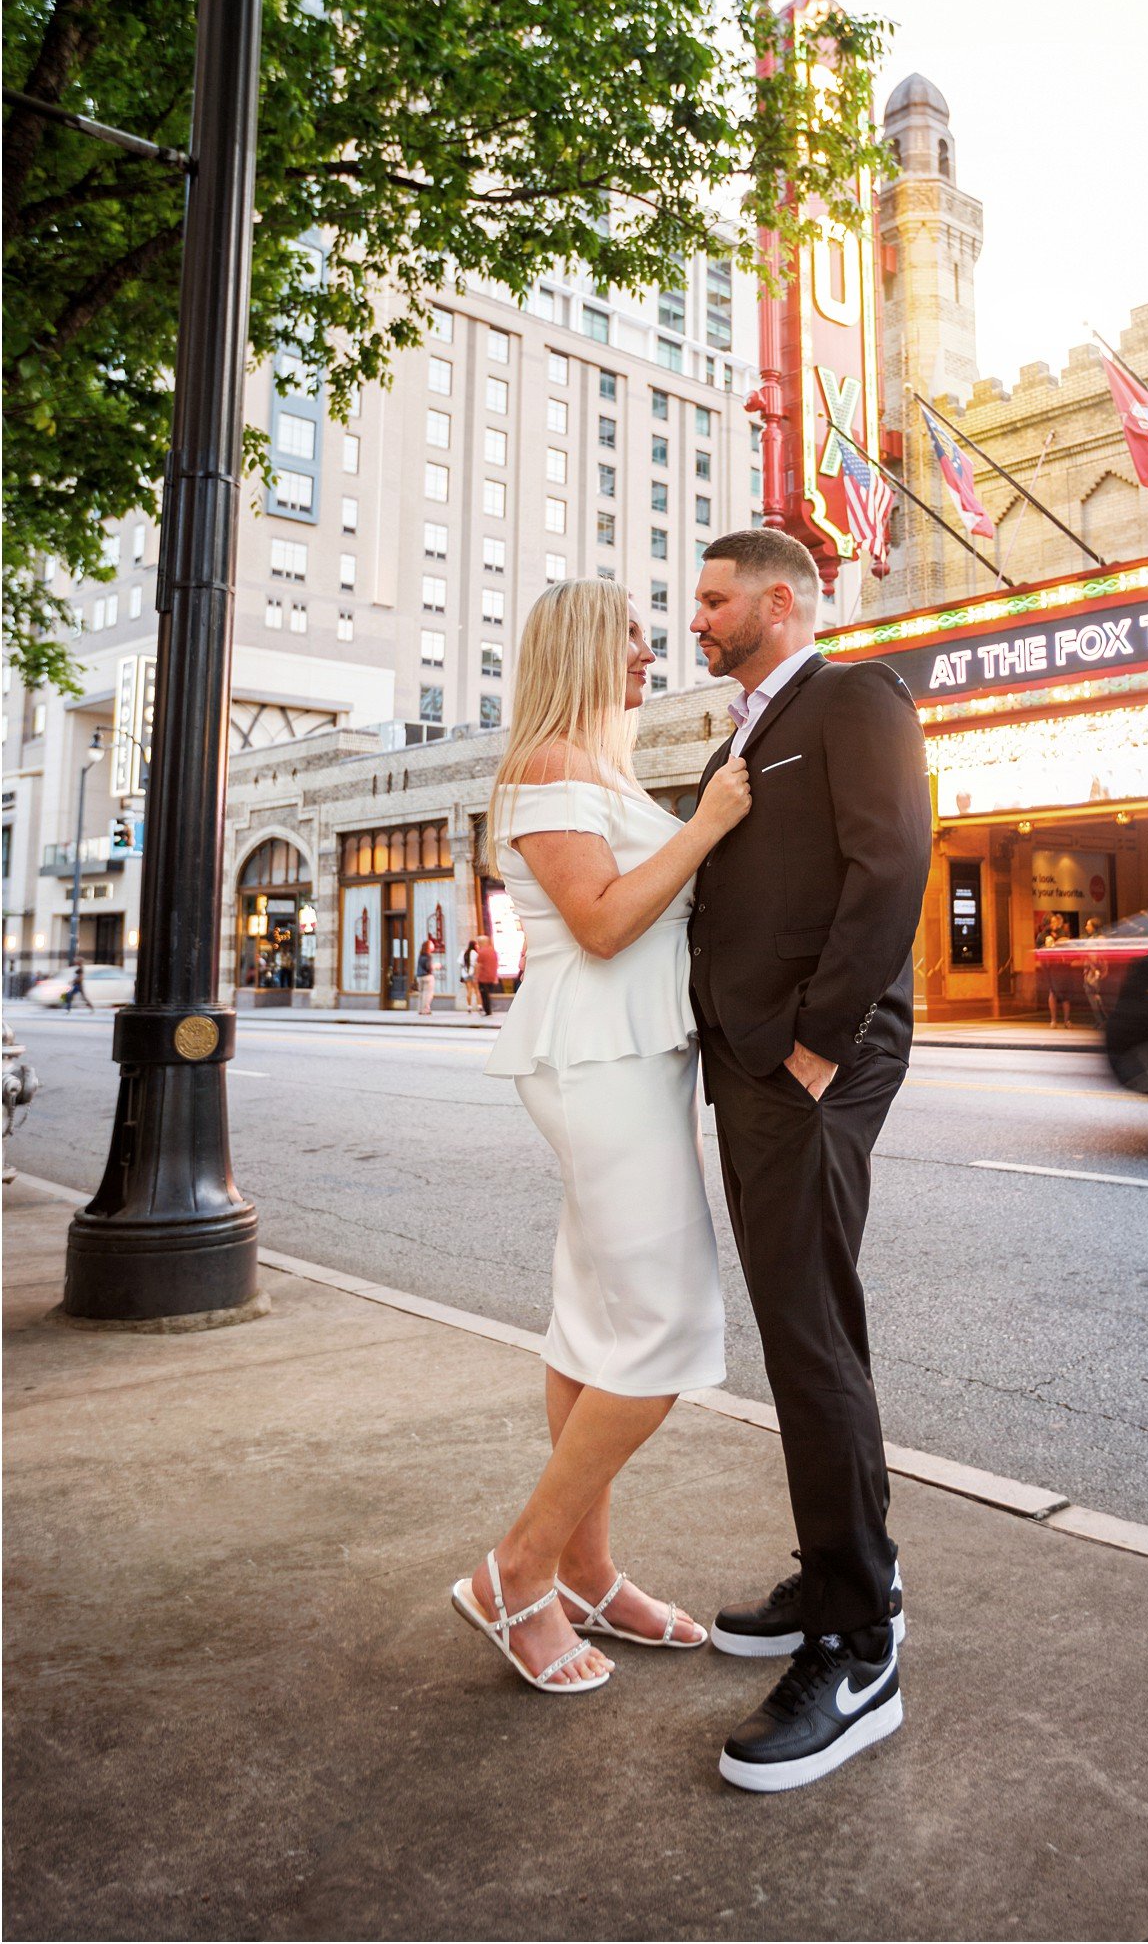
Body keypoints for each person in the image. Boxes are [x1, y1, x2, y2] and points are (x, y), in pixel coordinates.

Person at [452, 578, 751, 1695]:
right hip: (598, 1063)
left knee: (591, 1327)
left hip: (629, 1063)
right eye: (628, 635)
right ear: (581, 647)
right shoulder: (547, 771)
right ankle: (515, 1575)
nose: (647, 651)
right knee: (664, 1331)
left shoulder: (593, 770)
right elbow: (604, 921)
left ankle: (587, 1575)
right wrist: (713, 820)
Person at [689, 529, 932, 1793]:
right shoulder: (739, 727)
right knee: (800, 1324)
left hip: (809, 1063)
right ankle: (843, 1568)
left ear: (780, 603)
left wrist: (817, 1049)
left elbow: (890, 865)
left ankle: (859, 1642)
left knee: (810, 1331)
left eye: (715, 600)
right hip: (749, 1063)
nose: (698, 620)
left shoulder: (854, 697)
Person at [473, 933, 499, 1019]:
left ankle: (488, 1011)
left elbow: (478, 966)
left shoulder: (481, 952)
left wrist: (475, 977)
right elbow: (496, 964)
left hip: (483, 977)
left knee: (484, 994)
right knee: (488, 993)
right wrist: (495, 976)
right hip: (492, 976)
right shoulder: (493, 951)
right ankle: (489, 1009)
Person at [459, 939, 480, 1016]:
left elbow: (460, 964)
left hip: (465, 974)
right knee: (477, 990)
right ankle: (479, 1006)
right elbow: (477, 964)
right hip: (473, 973)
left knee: (469, 990)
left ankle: (469, 1007)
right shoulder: (474, 953)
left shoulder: (463, 952)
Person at [415, 941, 435, 1018]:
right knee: (428, 994)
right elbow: (428, 967)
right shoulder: (428, 956)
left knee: (421, 993)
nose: (433, 946)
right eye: (431, 945)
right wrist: (435, 966)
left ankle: (420, 1009)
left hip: (419, 976)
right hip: (427, 976)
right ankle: (425, 1009)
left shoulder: (420, 955)